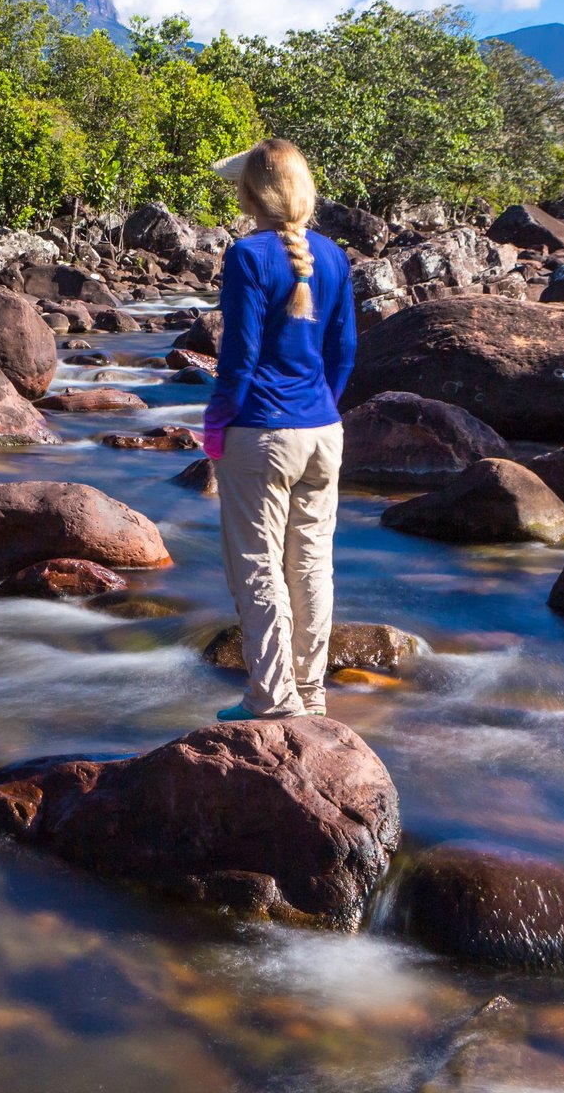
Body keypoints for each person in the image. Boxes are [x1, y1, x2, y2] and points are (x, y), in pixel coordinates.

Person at [202, 138, 356, 721]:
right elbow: (343, 353)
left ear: (251, 193)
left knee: (258, 565)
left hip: (260, 432)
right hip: (323, 432)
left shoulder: (247, 256)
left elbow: (237, 359)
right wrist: (318, 408)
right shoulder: (333, 257)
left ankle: (271, 698)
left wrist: (216, 425)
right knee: (312, 565)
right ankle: (311, 695)